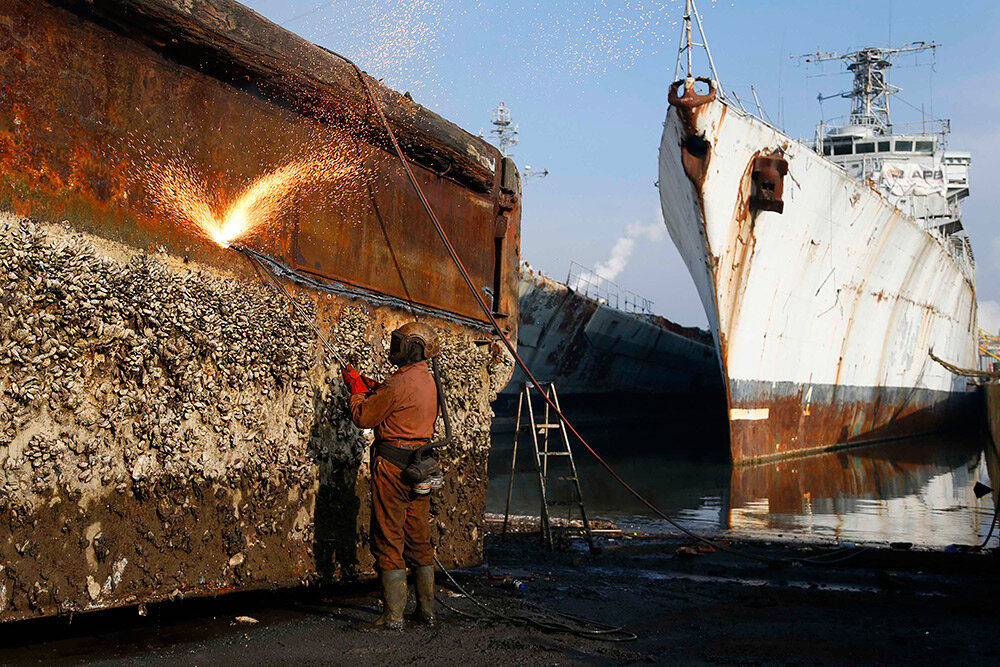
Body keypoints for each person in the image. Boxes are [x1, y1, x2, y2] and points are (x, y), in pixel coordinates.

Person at [341, 322, 440, 630]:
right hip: (420, 468)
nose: (394, 347)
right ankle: (426, 612)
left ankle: (393, 617)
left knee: (388, 538)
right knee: (419, 539)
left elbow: (363, 417)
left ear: (410, 347)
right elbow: (399, 401)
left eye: (398, 342)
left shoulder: (398, 384)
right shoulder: (427, 381)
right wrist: (375, 388)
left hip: (393, 469)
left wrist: (357, 389)